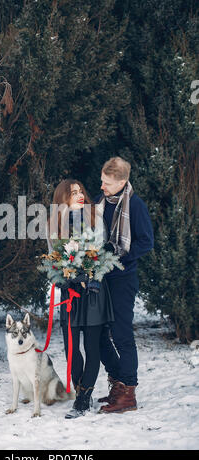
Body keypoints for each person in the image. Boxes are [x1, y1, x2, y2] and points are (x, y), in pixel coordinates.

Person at [47, 179, 114, 419]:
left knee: (92, 345)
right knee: (72, 348)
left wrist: (87, 274)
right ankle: (79, 389)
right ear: (62, 199)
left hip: (94, 292)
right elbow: (53, 262)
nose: (79, 195)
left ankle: (84, 398)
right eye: (73, 193)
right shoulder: (55, 225)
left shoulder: (95, 219)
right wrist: (70, 279)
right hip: (71, 294)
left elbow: (102, 254)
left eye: (80, 191)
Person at [94, 157, 154, 413]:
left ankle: (128, 393)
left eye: (107, 183)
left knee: (121, 334)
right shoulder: (101, 203)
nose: (102, 186)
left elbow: (145, 242)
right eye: (102, 181)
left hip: (122, 278)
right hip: (101, 277)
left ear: (122, 182)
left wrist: (117, 257)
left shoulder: (135, 206)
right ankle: (118, 382)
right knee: (99, 334)